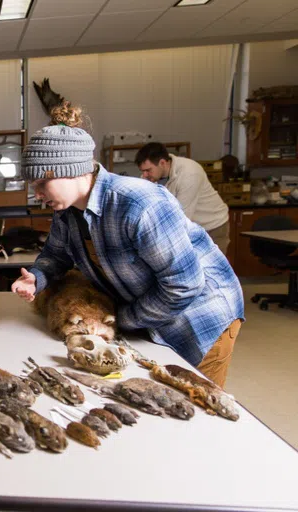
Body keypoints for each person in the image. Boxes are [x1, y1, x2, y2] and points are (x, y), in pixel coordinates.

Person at [12, 103, 244, 389]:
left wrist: (123, 319)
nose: (36, 195)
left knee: (197, 404)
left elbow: (184, 284)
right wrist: (38, 277)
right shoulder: (67, 212)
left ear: (71, 170)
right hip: (149, 315)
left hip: (199, 318)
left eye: (41, 184)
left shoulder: (140, 205)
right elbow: (56, 255)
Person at [135, 142, 231, 255]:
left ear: (162, 163)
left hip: (211, 227)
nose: (144, 175)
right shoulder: (151, 177)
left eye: (148, 170)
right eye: (142, 171)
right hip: (187, 228)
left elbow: (181, 219)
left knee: (210, 270)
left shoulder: (189, 174)